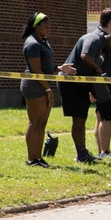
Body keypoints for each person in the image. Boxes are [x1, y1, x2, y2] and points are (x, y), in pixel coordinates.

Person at [60, 28, 111, 163]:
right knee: (78, 120)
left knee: (81, 120)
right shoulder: (95, 39)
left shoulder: (102, 47)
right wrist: (99, 69)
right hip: (72, 83)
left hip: (82, 84)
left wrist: (94, 88)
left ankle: (82, 152)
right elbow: (85, 56)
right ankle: (81, 155)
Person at [20, 13, 75, 167]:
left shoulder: (43, 42)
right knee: (34, 122)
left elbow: (47, 68)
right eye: (45, 26)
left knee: (42, 123)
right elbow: (36, 71)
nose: (48, 29)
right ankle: (31, 159)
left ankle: (38, 158)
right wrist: (48, 90)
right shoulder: (32, 44)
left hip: (43, 85)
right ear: (36, 27)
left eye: (49, 26)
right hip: (34, 86)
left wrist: (59, 68)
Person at [90, 9, 111, 159]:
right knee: (106, 118)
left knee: (102, 117)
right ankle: (105, 152)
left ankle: (101, 151)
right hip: (106, 86)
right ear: (110, 22)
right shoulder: (100, 39)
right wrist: (92, 88)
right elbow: (93, 62)